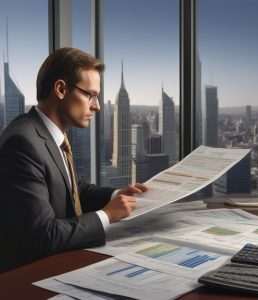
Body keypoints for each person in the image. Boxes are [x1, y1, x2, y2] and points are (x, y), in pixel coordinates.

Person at [0, 47, 148, 273]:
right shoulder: (22, 143)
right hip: (29, 279)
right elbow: (42, 236)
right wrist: (107, 215)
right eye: (91, 95)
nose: (97, 105)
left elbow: (73, 188)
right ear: (60, 89)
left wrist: (118, 196)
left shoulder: (50, 135)